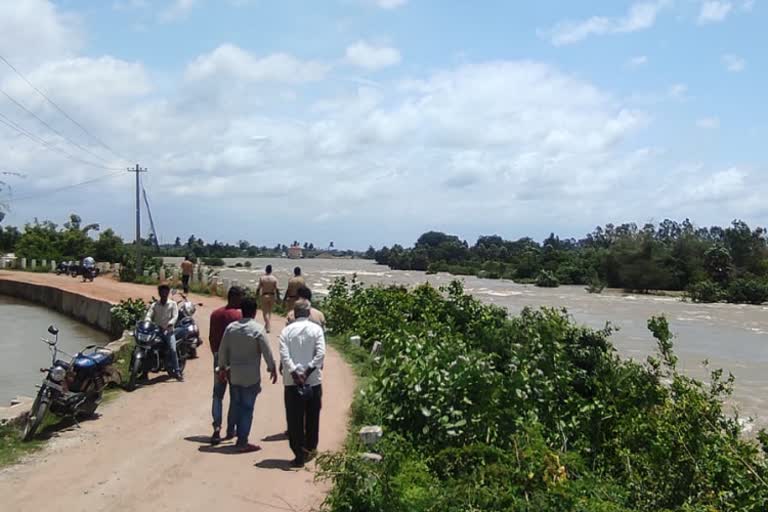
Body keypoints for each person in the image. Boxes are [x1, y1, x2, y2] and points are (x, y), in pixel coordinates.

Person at [217, 296, 277, 453]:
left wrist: (222, 368)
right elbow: (267, 351)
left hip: (234, 374)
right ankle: (242, 441)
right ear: (255, 312)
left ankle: (232, 432)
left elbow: (222, 350)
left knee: (236, 404)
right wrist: (272, 368)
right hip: (251, 376)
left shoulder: (231, 328)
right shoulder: (258, 329)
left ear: (241, 311)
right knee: (247, 408)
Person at [279, 301, 326, 468]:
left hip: (292, 383)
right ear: (308, 313)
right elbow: (320, 354)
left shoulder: (286, 331)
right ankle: (310, 449)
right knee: (312, 417)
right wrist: (307, 373)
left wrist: (294, 373)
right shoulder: (317, 330)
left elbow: (284, 355)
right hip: (313, 382)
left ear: (294, 313)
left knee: (294, 419)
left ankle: (298, 454)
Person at [208, 286, 244, 445]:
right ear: (235, 298)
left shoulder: (215, 314)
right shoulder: (238, 315)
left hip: (218, 358)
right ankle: (231, 429)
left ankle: (216, 428)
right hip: (234, 360)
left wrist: (216, 355)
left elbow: (211, 337)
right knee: (235, 395)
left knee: (217, 395)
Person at [145, 283, 183, 380]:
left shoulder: (173, 304)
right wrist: (147, 321)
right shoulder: (155, 305)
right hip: (156, 332)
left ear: (168, 292)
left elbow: (175, 316)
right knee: (147, 347)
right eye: (162, 291)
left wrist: (170, 324)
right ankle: (144, 372)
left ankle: (177, 371)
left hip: (168, 331)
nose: (164, 293)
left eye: (166, 291)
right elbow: (149, 315)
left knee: (173, 349)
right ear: (159, 293)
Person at [256, 265, 280, 333]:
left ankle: (268, 325)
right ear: (271, 270)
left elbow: (258, 288)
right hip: (272, 296)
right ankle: (267, 325)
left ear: (266, 270)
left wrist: (256, 296)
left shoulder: (262, 278)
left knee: (265, 312)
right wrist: (278, 298)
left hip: (264, 295)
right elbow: (277, 289)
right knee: (269, 312)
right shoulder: (274, 278)